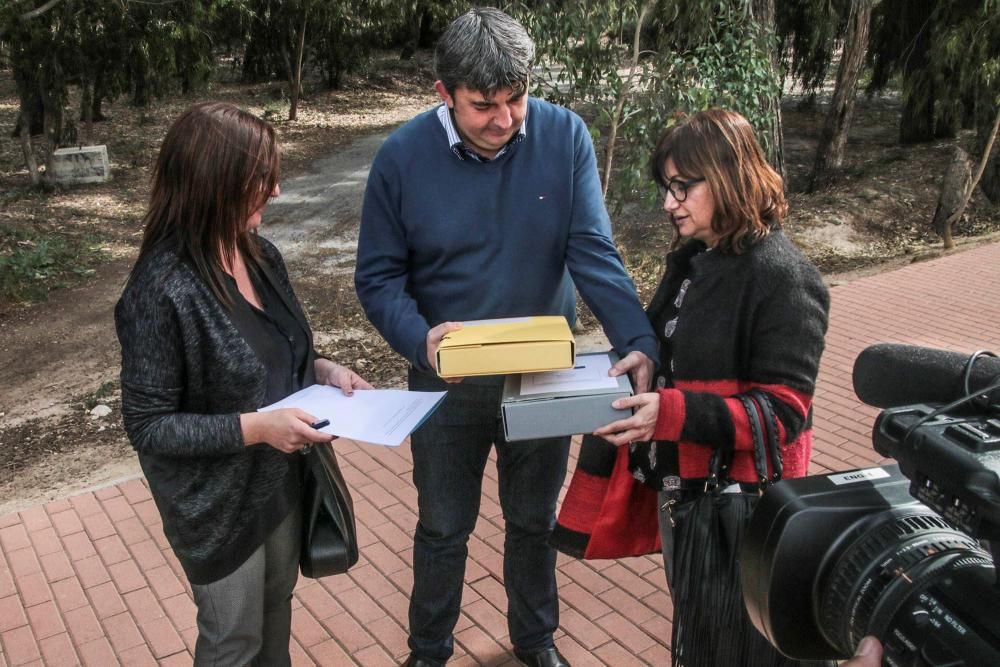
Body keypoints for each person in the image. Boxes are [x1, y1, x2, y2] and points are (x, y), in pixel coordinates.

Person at [354, 8, 657, 667]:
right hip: (446, 382)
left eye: (516, 98)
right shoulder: (401, 159)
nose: (506, 118)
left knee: (533, 520)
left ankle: (535, 640)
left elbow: (593, 252)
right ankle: (429, 650)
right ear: (444, 93)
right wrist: (419, 337)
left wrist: (639, 339)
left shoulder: (564, 136)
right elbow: (377, 277)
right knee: (442, 527)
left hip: (543, 375)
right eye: (484, 105)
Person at [115, 102, 371, 666]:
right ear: (215, 184)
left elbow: (275, 347)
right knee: (233, 641)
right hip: (217, 506)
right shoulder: (159, 291)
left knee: (275, 610)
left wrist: (323, 370)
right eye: (262, 178)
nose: (276, 191)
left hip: (279, 483)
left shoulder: (260, 255)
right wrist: (256, 428)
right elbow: (148, 426)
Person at [594, 109, 831, 666]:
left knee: (738, 650)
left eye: (683, 187)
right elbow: (678, 350)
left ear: (729, 177)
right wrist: (647, 357)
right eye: (666, 188)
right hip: (691, 499)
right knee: (704, 641)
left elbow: (782, 413)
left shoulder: (783, 275)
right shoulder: (699, 259)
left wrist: (669, 414)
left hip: (743, 510)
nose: (669, 203)